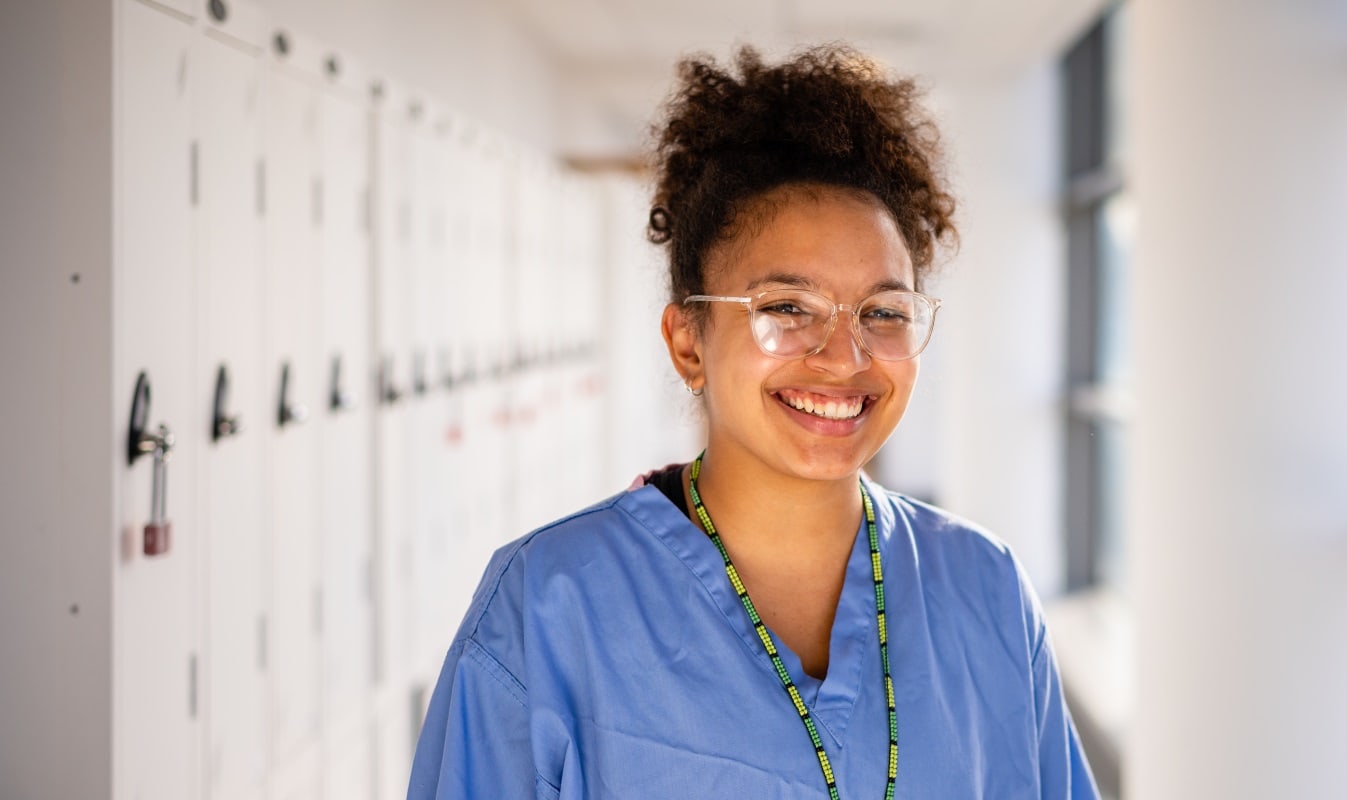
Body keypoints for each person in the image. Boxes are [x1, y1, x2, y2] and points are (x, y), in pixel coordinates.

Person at [407, 44, 1099, 799]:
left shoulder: (986, 589)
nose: (844, 356)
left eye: (883, 312)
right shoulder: (548, 608)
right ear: (687, 343)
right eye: (786, 308)